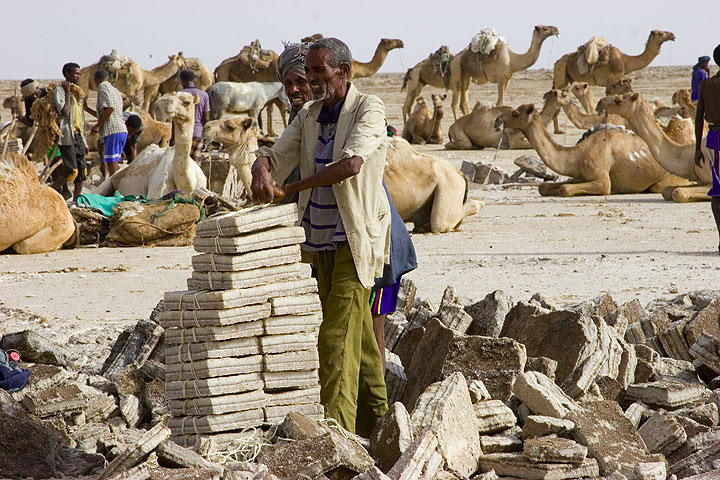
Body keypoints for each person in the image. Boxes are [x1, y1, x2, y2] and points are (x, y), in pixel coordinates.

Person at [251, 37, 390, 437]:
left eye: (318, 72)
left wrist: (290, 190)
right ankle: (381, 428)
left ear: (343, 72)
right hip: (319, 242)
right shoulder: (309, 116)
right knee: (360, 343)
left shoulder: (369, 108)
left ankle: (338, 440)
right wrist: (262, 167)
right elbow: (276, 157)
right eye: (307, 72)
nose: (310, 81)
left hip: (354, 241)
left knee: (332, 340)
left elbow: (350, 164)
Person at [274, 42, 417, 373]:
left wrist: (288, 188)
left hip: (368, 239)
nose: (299, 87)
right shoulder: (306, 122)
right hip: (326, 241)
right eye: (291, 83)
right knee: (353, 334)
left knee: (368, 331)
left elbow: (348, 168)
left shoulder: (357, 113)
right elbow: (277, 164)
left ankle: (370, 415)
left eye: (306, 77)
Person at [50, 62, 88, 201]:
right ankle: (48, 191)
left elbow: (81, 119)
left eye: (79, 73)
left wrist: (84, 141)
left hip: (78, 136)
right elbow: (65, 112)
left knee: (82, 171)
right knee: (71, 171)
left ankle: (77, 200)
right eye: (75, 73)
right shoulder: (60, 91)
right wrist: (67, 93)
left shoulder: (78, 92)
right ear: (66, 74)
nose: (78, 76)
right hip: (67, 136)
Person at [696, 45, 720, 253]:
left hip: (714, 138)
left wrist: (697, 148)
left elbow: (698, 118)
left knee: (718, 192)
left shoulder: (706, 84)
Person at [91, 69, 127, 177]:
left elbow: (110, 109)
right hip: (121, 131)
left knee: (112, 165)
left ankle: (116, 191)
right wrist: (87, 109)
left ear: (95, 80)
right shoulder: (115, 90)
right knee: (115, 162)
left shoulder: (102, 87)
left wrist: (98, 126)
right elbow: (106, 112)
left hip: (112, 131)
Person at [179, 69, 210, 161]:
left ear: (182, 80)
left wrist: (172, 139)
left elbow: (176, 119)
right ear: (194, 80)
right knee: (195, 164)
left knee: (182, 162)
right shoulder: (204, 95)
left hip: (183, 133)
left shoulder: (180, 95)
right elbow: (206, 119)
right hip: (198, 133)